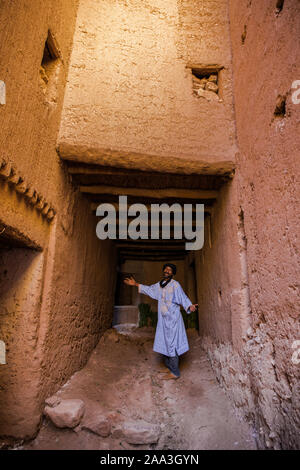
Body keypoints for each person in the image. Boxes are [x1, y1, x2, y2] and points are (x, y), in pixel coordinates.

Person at [123, 263, 198, 380]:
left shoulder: (175, 285)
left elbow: (183, 297)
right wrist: (135, 284)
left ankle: (175, 372)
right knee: (165, 342)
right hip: (163, 321)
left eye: (170, 270)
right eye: (165, 269)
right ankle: (169, 366)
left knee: (172, 344)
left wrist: (190, 306)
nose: (167, 271)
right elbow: (149, 289)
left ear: (173, 273)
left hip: (173, 320)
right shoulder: (160, 285)